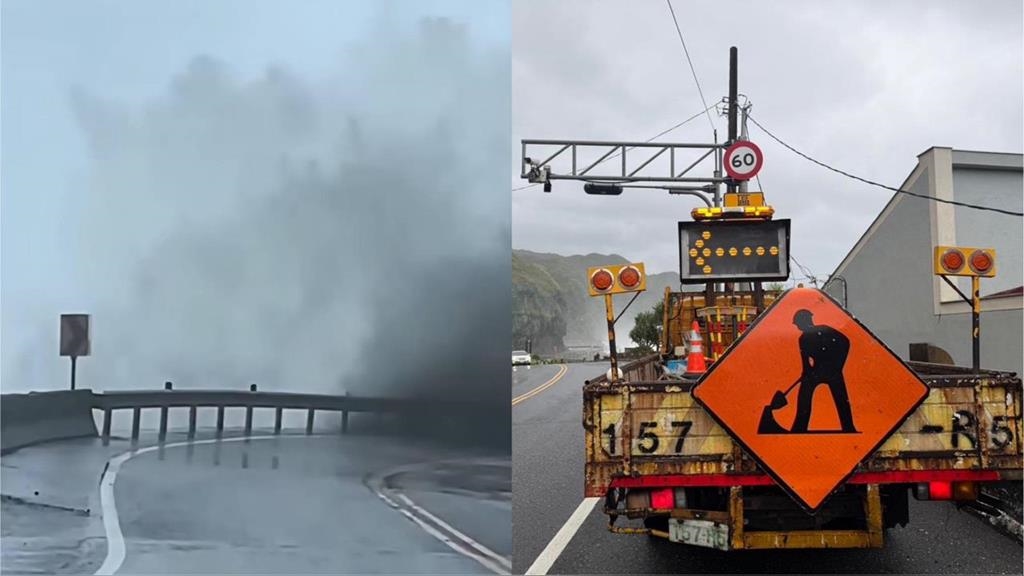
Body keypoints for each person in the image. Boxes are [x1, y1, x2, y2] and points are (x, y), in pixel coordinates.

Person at [790, 309, 857, 433]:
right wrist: (806, 374)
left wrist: (839, 364)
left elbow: (845, 342)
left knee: (841, 398)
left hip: (833, 369)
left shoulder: (825, 330)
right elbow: (805, 360)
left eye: (798, 323)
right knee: (804, 396)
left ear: (805, 321)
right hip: (816, 370)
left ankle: (848, 427)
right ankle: (799, 427)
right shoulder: (803, 339)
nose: (798, 326)